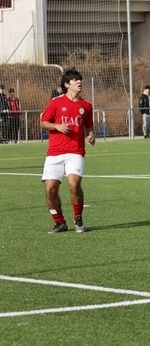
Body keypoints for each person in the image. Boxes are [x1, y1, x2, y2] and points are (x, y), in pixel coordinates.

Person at [39, 69, 96, 233]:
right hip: (54, 153)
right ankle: (59, 222)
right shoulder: (55, 102)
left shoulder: (86, 106)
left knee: (74, 184)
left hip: (75, 151)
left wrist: (91, 135)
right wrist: (56, 126)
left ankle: (78, 217)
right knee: (50, 189)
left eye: (80, 79)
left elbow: (89, 126)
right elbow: (44, 122)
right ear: (66, 84)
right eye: (75, 80)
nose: (79, 82)